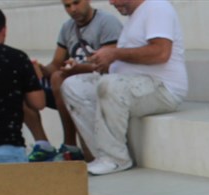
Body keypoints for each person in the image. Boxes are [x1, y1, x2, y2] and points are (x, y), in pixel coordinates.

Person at [61, 0, 185, 175]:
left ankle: (116, 159)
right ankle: (101, 155)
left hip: (162, 88)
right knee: (74, 86)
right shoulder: (136, 14)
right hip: (133, 84)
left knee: (109, 85)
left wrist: (115, 54)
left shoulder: (157, 7)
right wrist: (105, 62)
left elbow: (161, 52)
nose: (111, 2)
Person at [23, 0, 123, 162]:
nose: (73, 9)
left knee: (58, 78)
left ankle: (70, 145)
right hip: (71, 82)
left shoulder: (107, 22)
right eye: (67, 6)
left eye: (76, 3)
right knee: (20, 86)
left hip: (100, 83)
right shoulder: (67, 27)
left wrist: (77, 69)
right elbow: (55, 65)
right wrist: (38, 69)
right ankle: (43, 145)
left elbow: (111, 64)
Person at [0, 7, 44, 164]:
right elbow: (38, 103)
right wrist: (36, 78)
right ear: (4, 30)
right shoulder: (18, 58)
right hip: (6, 150)